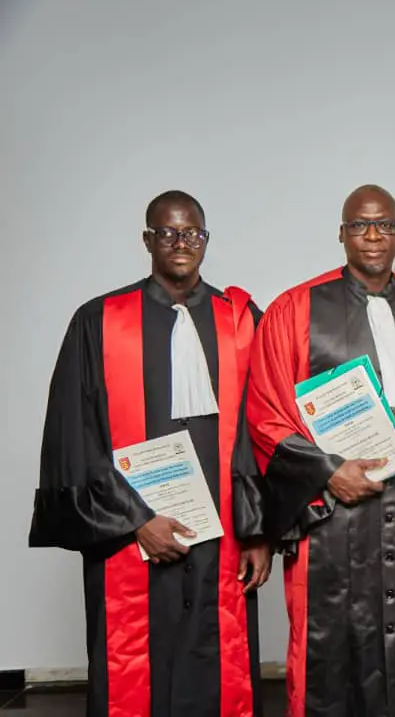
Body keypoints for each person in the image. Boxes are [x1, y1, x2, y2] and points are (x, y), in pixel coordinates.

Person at [28, 190, 271, 717]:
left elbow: (258, 433)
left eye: (193, 233)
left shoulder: (240, 320)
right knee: (136, 673)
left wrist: (258, 531)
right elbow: (75, 438)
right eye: (168, 233)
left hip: (222, 535)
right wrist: (135, 520)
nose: (181, 243)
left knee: (215, 668)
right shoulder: (98, 321)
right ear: (148, 240)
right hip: (132, 535)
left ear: (206, 240)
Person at [246, 184, 395, 717]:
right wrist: (325, 471)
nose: (372, 236)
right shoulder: (294, 310)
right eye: (360, 225)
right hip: (330, 518)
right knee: (331, 651)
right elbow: (266, 413)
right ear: (341, 235)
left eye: (384, 225)